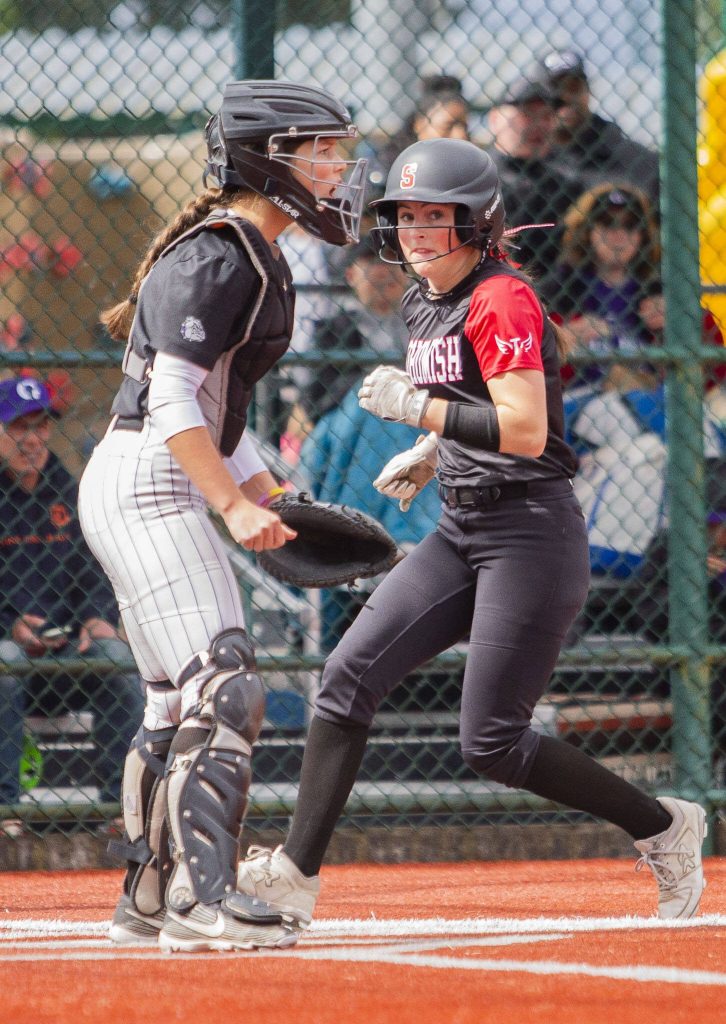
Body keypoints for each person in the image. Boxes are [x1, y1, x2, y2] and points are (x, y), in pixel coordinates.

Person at [237, 137, 708, 933]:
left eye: (436, 216)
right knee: (347, 676)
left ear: (478, 222)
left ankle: (665, 826)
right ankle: (294, 875)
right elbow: (472, 396)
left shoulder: (501, 298)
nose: (416, 230)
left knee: (490, 742)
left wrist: (416, 414)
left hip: (529, 532)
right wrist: (431, 452)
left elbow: (525, 428)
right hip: (464, 524)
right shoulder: (427, 297)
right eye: (407, 216)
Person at [76, 80, 368, 952]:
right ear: (262, 159)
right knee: (227, 685)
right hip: (148, 479)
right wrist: (231, 503)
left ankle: (149, 898)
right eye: (316, 149)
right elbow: (171, 403)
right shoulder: (222, 255)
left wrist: (270, 494)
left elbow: (218, 409)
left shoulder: (253, 250)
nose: (336, 167)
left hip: (146, 478)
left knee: (176, 702)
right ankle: (206, 902)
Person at [0, 376, 144, 833]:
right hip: (10, 653)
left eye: (40, 425)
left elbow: (95, 569)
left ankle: (121, 812)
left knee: (118, 661)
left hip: (68, 655)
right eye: (19, 427)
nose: (32, 438)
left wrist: (96, 618)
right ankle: (6, 812)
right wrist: (12, 624)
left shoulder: (71, 491)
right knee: (4, 662)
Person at [538, 183, 661, 397]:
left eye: (630, 225)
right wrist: (563, 338)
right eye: (607, 224)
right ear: (587, 232)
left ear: (643, 235)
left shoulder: (656, 290)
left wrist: (678, 326)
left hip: (653, 397)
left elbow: (714, 372)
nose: (619, 236)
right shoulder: (558, 289)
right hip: (580, 398)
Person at [484, 69, 585, 275]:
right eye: (527, 114)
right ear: (495, 119)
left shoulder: (567, 183)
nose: (539, 124)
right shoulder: (476, 178)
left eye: (547, 115)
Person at [535, 49, 660, 204]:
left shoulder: (639, 162)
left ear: (588, 92)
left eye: (573, 88)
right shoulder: (526, 164)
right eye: (554, 89)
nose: (565, 98)